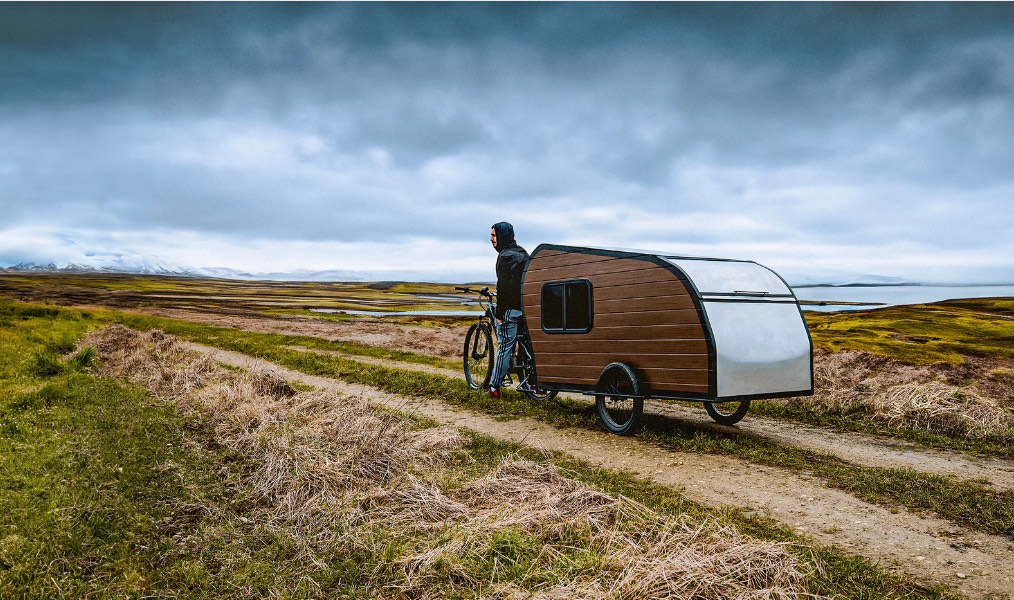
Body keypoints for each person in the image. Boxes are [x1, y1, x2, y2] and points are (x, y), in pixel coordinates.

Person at [488, 221, 528, 397]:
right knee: (527, 345)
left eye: (494, 235)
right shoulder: (523, 253)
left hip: (510, 310)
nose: (491, 239)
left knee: (504, 346)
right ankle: (531, 383)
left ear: (502, 236)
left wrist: (499, 313)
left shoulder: (504, 257)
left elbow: (504, 286)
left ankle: (494, 387)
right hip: (526, 309)